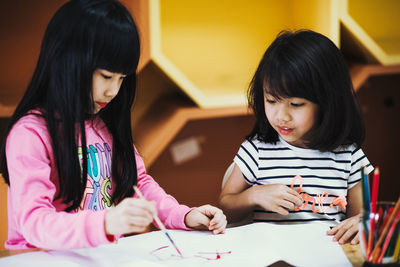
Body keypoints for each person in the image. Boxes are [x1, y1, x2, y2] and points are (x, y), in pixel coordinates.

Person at [0, 0, 226, 251]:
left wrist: (183, 216)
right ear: (67, 62)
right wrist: (106, 223)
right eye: (106, 76)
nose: (113, 91)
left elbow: (138, 183)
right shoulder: (30, 134)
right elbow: (34, 222)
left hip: (100, 256)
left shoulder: (102, 125)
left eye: (122, 79)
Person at [218, 30, 373, 245]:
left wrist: (362, 223)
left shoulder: (349, 156)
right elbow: (226, 208)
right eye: (271, 100)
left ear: (327, 102)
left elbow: (362, 218)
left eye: (296, 104)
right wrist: (254, 195)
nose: (281, 116)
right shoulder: (256, 150)